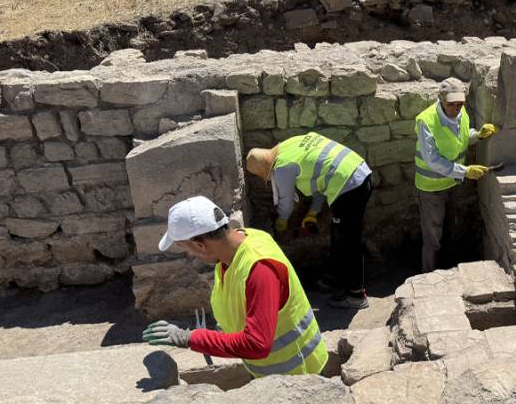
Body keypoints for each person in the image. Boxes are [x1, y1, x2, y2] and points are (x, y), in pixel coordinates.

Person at [141, 196, 328, 377]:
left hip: (298, 375)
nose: (190, 255)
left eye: (186, 248)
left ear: (200, 245)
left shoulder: (260, 270)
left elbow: (257, 344)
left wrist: (190, 338)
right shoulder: (232, 251)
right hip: (270, 373)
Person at [245, 132, 372, 309]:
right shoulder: (289, 145)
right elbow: (320, 180)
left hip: (349, 186)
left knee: (349, 240)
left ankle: (357, 295)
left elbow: (286, 203)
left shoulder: (282, 168)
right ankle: (333, 277)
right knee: (339, 234)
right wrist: (312, 213)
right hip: (359, 171)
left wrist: (282, 221)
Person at [415, 77, 498, 272]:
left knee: (449, 230)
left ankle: (448, 269)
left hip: (453, 184)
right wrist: (465, 171)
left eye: (460, 104)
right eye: (451, 105)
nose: (456, 109)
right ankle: (429, 276)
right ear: (441, 99)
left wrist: (477, 136)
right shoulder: (426, 120)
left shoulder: (462, 113)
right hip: (431, 189)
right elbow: (432, 160)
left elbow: (459, 137)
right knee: (433, 238)